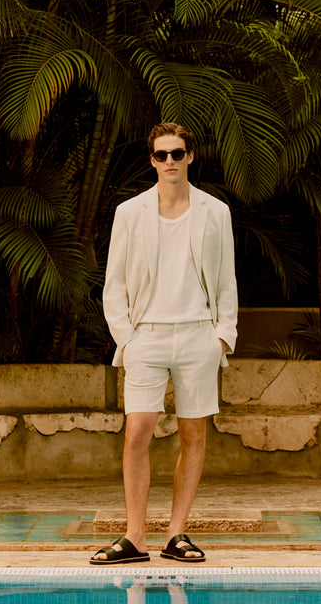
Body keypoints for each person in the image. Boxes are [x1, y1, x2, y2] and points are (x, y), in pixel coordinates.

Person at [91, 122, 238, 565]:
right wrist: (127, 341)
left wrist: (221, 338)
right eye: (161, 155)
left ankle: (177, 534)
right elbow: (114, 284)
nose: (169, 161)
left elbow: (227, 279)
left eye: (177, 153)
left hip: (198, 336)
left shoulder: (216, 212)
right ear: (152, 160)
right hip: (146, 337)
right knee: (137, 431)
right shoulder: (129, 212)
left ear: (190, 156)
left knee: (194, 434)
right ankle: (135, 537)